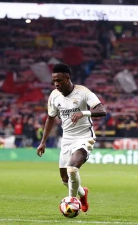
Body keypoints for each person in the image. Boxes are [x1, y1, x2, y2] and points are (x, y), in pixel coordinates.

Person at [36, 63, 107, 213]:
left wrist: (84, 113)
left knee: (72, 169)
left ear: (68, 78)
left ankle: (71, 204)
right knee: (65, 179)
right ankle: (82, 193)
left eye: (59, 80)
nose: (56, 84)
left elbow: (102, 110)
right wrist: (43, 142)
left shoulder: (83, 92)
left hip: (84, 137)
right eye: (54, 81)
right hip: (67, 139)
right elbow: (50, 118)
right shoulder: (54, 96)